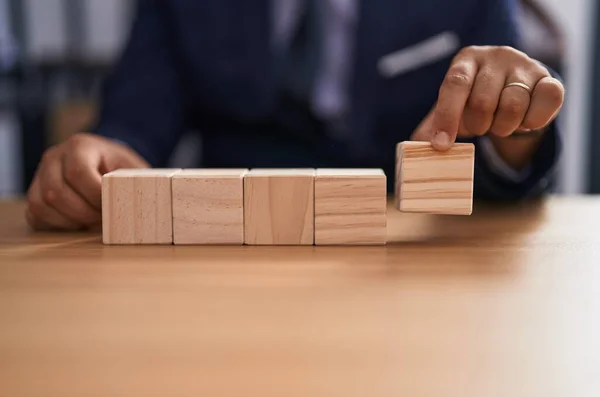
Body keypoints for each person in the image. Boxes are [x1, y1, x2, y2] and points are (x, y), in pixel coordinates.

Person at [25, 0, 565, 231]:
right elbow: (132, 125)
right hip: (229, 260)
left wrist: (513, 131)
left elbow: (504, 131)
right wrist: (95, 158)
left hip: (405, 256)